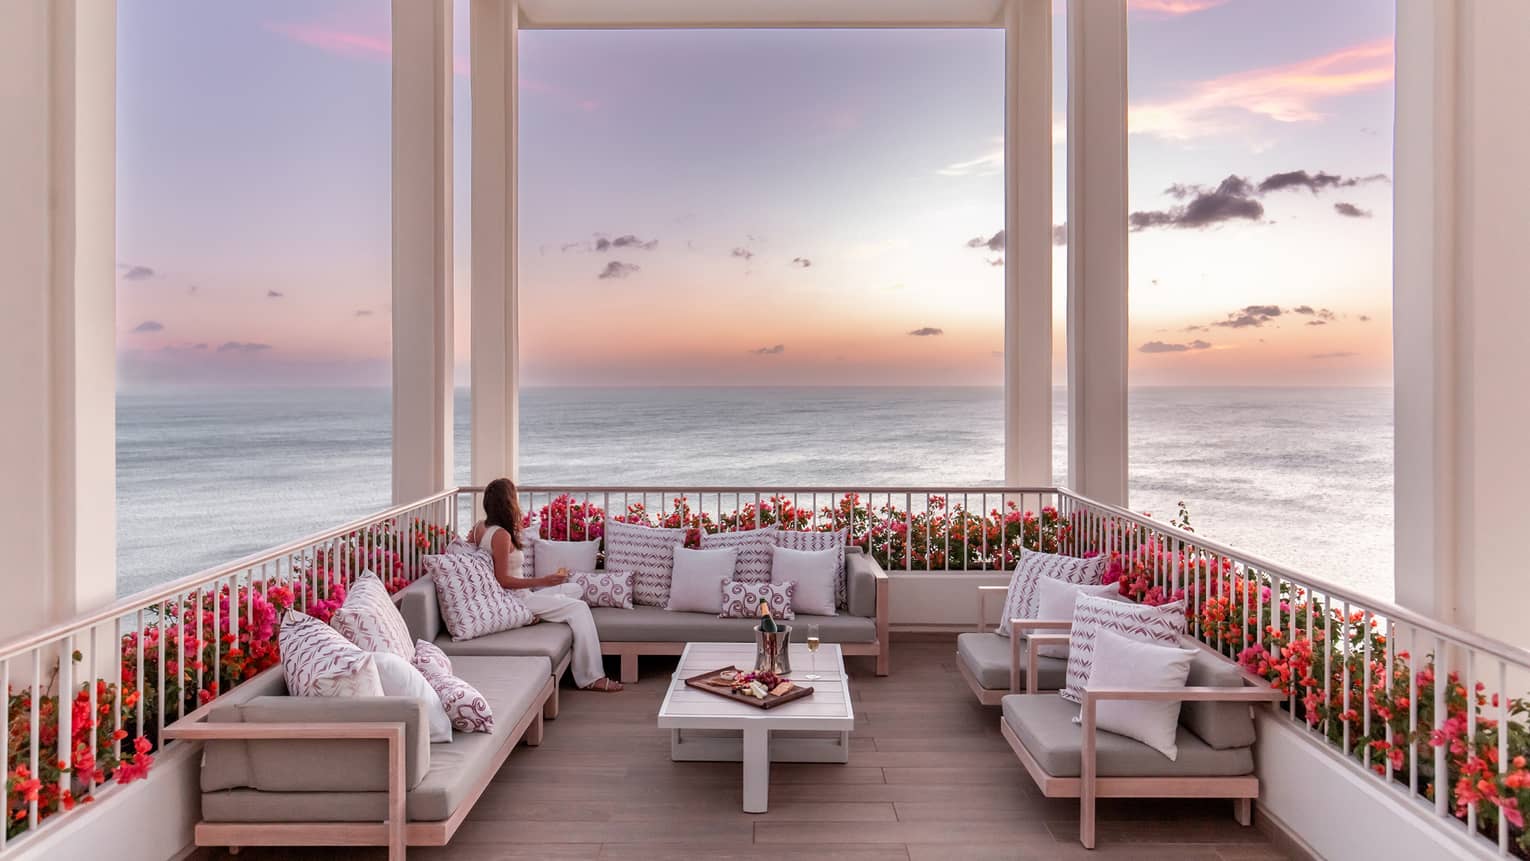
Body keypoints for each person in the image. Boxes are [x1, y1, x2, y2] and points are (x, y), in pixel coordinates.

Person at [467, 478, 623, 692]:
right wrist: (544, 581)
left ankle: (538, 615)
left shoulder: (479, 528)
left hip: (523, 596)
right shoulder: (501, 536)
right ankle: (591, 677)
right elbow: (502, 580)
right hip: (517, 600)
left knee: (574, 589)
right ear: (508, 502)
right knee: (579, 608)